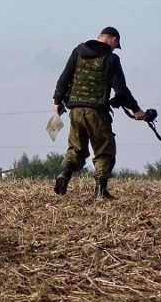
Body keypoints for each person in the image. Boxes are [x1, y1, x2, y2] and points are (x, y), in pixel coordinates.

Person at [52, 27, 145, 199]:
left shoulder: (78, 52)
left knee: (76, 149)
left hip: (75, 110)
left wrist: (57, 101)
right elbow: (121, 90)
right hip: (97, 112)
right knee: (104, 151)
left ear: (99, 37)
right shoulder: (111, 59)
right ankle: (100, 191)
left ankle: (64, 174)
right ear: (114, 40)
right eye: (116, 46)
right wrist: (136, 110)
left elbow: (64, 79)